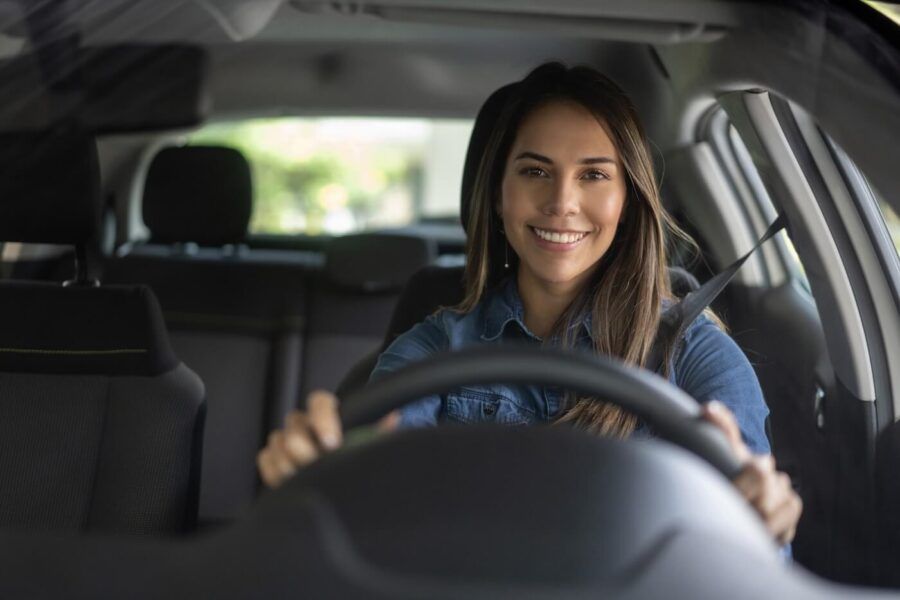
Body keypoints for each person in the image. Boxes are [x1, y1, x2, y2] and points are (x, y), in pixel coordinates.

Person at [257, 62, 803, 547]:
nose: (562, 202)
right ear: (498, 193)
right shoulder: (435, 348)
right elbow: (371, 483)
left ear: (628, 201)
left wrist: (758, 517)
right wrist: (324, 476)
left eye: (593, 174)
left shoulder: (697, 356)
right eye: (535, 171)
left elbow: (751, 558)